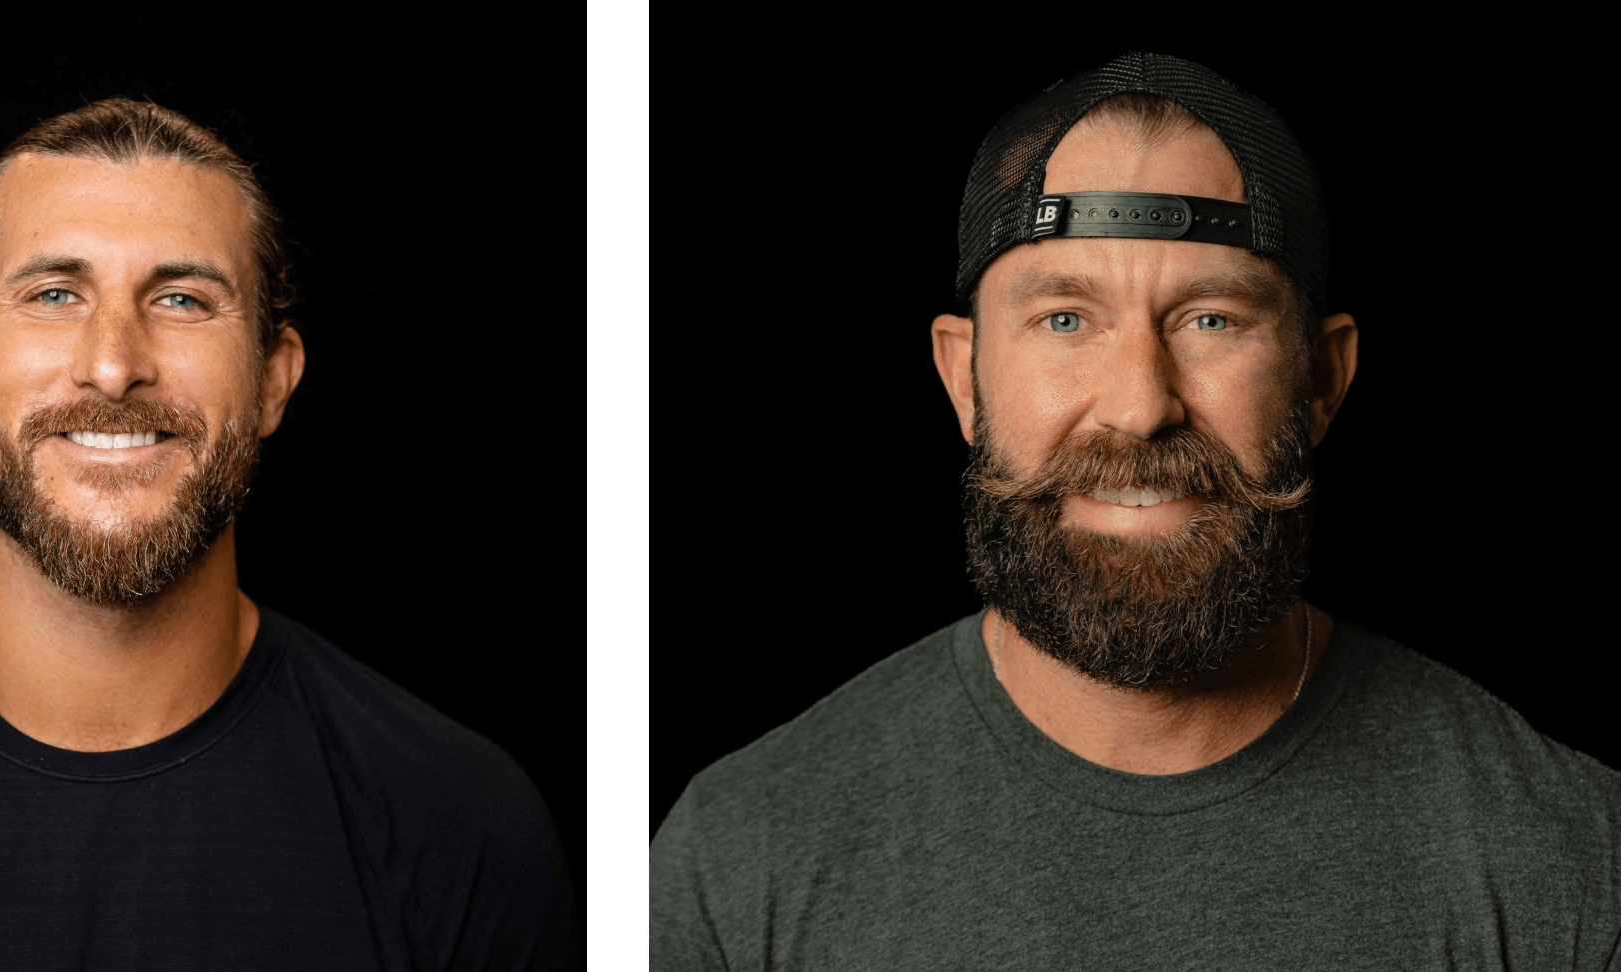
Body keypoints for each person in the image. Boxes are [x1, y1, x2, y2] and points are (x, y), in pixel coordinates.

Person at [649, 53, 1619, 969]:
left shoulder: (1572, 860)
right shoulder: (740, 856)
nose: (1139, 404)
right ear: (962, 377)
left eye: (1210, 318)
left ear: (1320, 379)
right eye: (1063, 318)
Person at [0, 99, 576, 971]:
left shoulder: (461, 828)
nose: (114, 365)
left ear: (274, 380)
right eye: (53, 294)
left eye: (182, 299)